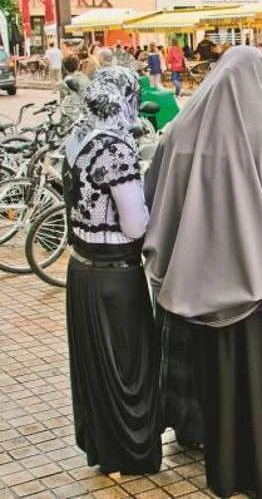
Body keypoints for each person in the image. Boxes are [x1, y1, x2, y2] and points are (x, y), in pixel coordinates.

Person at [143, 46, 262, 499]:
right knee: (261, 386)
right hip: (253, 288)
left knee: (217, 386)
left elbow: (153, 193)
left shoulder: (180, 130)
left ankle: (227, 473)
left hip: (193, 288)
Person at [63, 66, 161, 476]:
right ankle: (133, 454)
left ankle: (105, 450)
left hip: (81, 273)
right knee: (128, 368)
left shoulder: (76, 136)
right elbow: (135, 224)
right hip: (115, 276)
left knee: (96, 369)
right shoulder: (116, 150)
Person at [58, 54, 90, 125]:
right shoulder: (84, 77)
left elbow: (63, 101)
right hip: (86, 113)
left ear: (64, 67)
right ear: (78, 66)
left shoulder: (64, 83)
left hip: (72, 115)